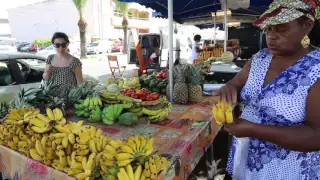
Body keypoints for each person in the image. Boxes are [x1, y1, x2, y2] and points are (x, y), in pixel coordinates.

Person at [216, 0, 320, 179]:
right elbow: (234, 84)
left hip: (288, 172)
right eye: (268, 29)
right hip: (244, 163)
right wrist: (228, 89)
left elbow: (316, 136)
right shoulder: (259, 59)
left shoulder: (316, 69)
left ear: (307, 26)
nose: (271, 36)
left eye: (281, 29)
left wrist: (254, 129)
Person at [43, 32, 83, 98]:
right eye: (57, 45)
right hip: (52, 98)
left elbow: (80, 83)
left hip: (69, 99)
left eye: (63, 45)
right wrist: (47, 72)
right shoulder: (50, 59)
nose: (60, 48)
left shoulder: (75, 62)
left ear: (67, 44)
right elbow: (45, 78)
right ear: (54, 45)